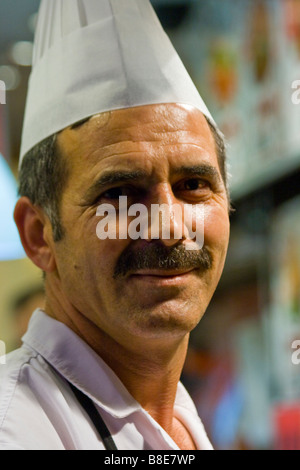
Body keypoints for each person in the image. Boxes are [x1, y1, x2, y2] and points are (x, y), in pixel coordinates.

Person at [0, 0, 230, 450]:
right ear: (38, 234)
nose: (168, 227)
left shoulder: (178, 416)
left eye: (194, 184)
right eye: (120, 195)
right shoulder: (17, 430)